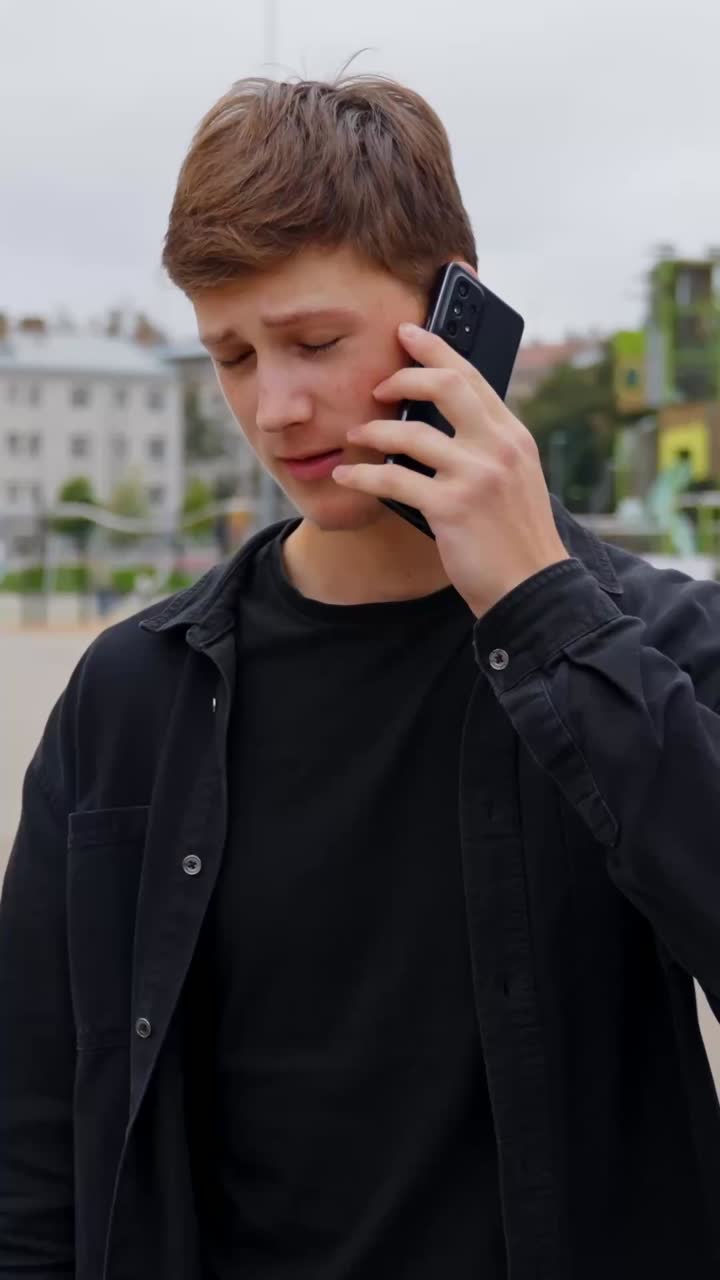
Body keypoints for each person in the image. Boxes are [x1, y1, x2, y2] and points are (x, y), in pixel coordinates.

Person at [1, 74, 719, 1280]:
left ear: (457, 305)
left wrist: (546, 616)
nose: (274, 408)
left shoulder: (655, 643)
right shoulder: (132, 696)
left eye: (314, 341)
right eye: (231, 353)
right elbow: (29, 1147)